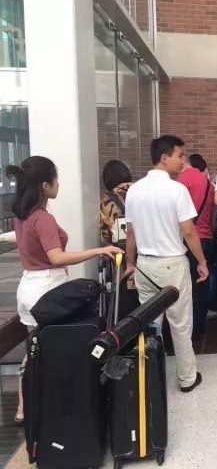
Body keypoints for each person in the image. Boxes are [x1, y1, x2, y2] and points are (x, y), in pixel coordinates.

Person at [9, 156, 122, 423]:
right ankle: (59, 408)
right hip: (48, 289)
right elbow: (56, 257)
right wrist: (98, 251)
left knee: (34, 348)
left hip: (28, 287)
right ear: (45, 185)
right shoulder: (43, 218)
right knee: (55, 350)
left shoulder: (21, 217)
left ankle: (24, 406)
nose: (59, 183)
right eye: (56, 178)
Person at [125, 135, 207, 393]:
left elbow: (131, 233)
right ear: (164, 157)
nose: (183, 161)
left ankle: (150, 379)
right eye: (179, 155)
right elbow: (189, 231)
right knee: (180, 324)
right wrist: (202, 261)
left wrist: (130, 263)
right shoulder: (176, 190)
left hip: (145, 265)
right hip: (172, 265)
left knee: (150, 325)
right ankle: (187, 378)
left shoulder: (134, 190)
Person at [177, 148, 216, 350]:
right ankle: (200, 329)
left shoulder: (183, 181)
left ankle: (190, 333)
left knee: (189, 288)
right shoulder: (208, 183)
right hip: (207, 237)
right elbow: (212, 214)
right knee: (203, 286)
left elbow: (181, 219)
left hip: (190, 240)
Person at [100, 160, 133, 245]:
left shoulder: (106, 201)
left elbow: (106, 235)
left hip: (121, 248)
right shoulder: (142, 189)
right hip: (148, 247)